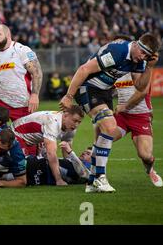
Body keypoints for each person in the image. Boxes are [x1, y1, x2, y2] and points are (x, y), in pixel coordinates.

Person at [59, 33, 160, 193]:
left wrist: (149, 67)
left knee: (101, 136)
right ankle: (100, 177)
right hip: (88, 88)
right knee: (110, 125)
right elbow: (84, 69)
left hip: (104, 93)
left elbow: (140, 87)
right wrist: (69, 95)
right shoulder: (117, 52)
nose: (142, 57)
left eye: (146, 56)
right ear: (136, 44)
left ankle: (92, 182)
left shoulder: (139, 61)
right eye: (142, 53)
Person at [0, 24, 43, 121]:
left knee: (21, 135)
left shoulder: (22, 50)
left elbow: (37, 72)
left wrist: (35, 95)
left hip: (21, 103)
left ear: (8, 35)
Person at [11, 105, 84, 186]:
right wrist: (59, 180)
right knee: (23, 169)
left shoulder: (71, 128)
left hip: (34, 141)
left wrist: (70, 167)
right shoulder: (52, 122)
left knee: (34, 166)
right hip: (17, 134)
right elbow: (51, 153)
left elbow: (66, 151)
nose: (76, 124)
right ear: (65, 115)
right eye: (74, 120)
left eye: (79, 122)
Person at [112, 73, 162, 187]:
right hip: (122, 116)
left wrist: (124, 106)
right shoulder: (118, 69)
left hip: (141, 117)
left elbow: (142, 93)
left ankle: (150, 170)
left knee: (145, 155)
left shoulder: (142, 71)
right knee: (104, 138)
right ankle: (97, 176)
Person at [24, 142, 92, 186]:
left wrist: (70, 151)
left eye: (88, 154)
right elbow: (51, 161)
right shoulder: (72, 162)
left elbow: (83, 172)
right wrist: (43, 151)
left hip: (35, 171)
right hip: (35, 165)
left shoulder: (88, 171)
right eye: (84, 152)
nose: (83, 153)